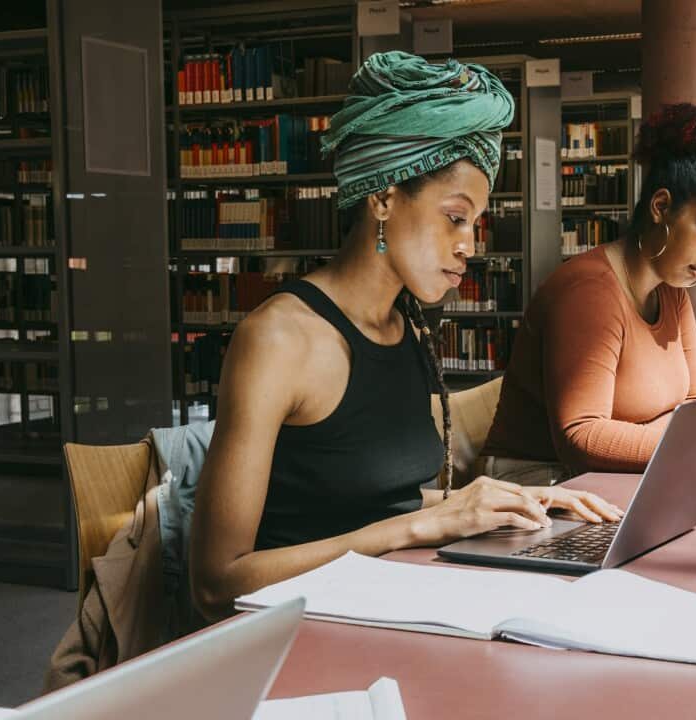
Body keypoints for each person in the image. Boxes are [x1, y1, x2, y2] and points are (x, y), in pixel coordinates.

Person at [188, 52, 620, 621]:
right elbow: (217, 582)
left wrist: (496, 502)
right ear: (385, 198)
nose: (470, 244)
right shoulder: (278, 339)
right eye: (455, 217)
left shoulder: (405, 324)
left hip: (385, 605)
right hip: (293, 633)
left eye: (477, 224)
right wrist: (418, 525)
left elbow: (368, 497)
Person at [480, 102, 696, 480]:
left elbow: (695, 405)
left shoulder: (672, 290)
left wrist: (695, 440)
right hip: (537, 482)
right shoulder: (589, 293)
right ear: (661, 207)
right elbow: (582, 436)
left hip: (616, 476)